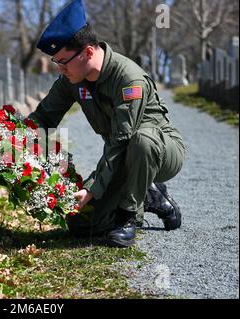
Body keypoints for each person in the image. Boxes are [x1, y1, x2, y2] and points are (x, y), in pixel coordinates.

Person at [28, 0, 185, 247]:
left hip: (161, 151)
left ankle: (128, 216)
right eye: (56, 62)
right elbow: (44, 118)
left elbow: (123, 138)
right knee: (81, 224)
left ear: (88, 52)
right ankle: (151, 193)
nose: (60, 68)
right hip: (122, 157)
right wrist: (13, 142)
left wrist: (91, 189)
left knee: (141, 141)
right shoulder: (72, 79)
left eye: (63, 61)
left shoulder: (129, 79)